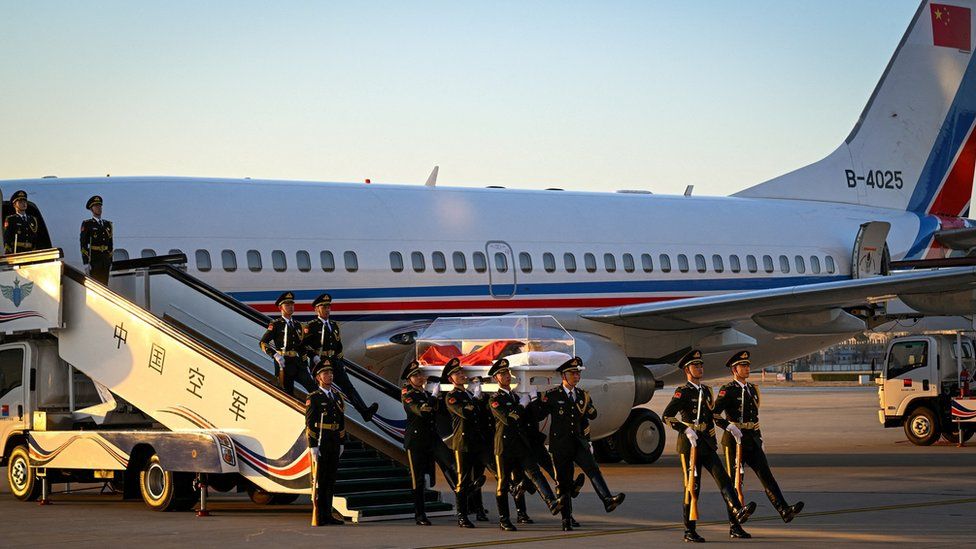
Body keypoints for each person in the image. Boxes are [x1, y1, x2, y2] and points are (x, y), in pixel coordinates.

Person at [662, 350, 757, 543]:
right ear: (687, 370)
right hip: (689, 446)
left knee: (724, 479)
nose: (700, 368)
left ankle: (738, 512)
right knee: (692, 487)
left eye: (701, 365)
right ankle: (689, 530)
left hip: (705, 442)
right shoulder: (683, 392)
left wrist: (716, 437)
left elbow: (710, 418)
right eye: (696, 366)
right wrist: (685, 430)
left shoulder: (706, 391)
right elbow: (667, 416)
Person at [531, 356, 625, 531]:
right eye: (573, 373)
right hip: (561, 445)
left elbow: (591, 416)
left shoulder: (582, 395)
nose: (577, 376)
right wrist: (531, 400)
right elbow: (537, 415)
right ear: (564, 376)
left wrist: (588, 440)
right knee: (564, 482)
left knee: (593, 469)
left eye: (578, 373)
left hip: (579, 442)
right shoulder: (552, 395)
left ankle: (607, 499)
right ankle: (566, 519)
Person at [713, 351, 804, 526]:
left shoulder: (753, 389)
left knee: (766, 476)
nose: (747, 368)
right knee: (735, 482)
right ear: (734, 369)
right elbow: (714, 414)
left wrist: (760, 440)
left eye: (748, 365)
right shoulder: (728, 390)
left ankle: (784, 510)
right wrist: (729, 426)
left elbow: (755, 419)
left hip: (752, 439)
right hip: (734, 440)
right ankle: (735, 525)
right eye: (743, 366)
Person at [487, 358, 562, 531]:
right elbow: (509, 419)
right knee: (504, 484)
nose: (507, 376)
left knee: (535, 474)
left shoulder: (516, 396)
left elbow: (530, 418)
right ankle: (504, 519)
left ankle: (551, 502)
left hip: (521, 445)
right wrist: (522, 405)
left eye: (507, 373)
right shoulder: (495, 399)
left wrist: (533, 401)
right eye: (502, 374)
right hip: (504, 447)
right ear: (495, 378)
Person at [303, 293, 378, 422]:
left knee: (348, 387)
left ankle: (364, 411)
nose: (327, 310)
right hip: (320, 362)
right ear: (316, 309)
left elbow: (338, 347)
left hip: (334, 361)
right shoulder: (312, 326)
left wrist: (341, 362)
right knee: (320, 391)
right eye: (323, 307)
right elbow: (304, 345)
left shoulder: (334, 325)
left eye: (328, 307)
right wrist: (314, 356)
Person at [401, 360, 459, 526]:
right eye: (415, 375)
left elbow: (441, 411)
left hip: (432, 438)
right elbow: (423, 410)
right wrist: (434, 397)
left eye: (420, 374)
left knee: (452, 465)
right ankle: (420, 515)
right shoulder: (408, 394)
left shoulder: (427, 393)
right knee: (418, 480)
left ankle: (464, 497)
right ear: (409, 380)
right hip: (416, 441)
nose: (420, 377)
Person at [443, 358, 487, 528]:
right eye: (457, 374)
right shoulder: (452, 396)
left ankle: (479, 509)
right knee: (463, 479)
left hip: (477, 441)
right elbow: (466, 412)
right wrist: (476, 399)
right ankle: (462, 516)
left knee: (482, 474)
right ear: (450, 379)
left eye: (462, 372)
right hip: (462, 443)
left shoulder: (468, 394)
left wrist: (477, 398)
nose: (461, 375)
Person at [306, 358, 345, 526]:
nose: (329, 376)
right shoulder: (314, 397)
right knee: (321, 480)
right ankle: (320, 514)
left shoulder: (337, 396)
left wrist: (342, 441)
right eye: (325, 373)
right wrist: (312, 446)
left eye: (330, 373)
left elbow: (341, 420)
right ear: (318, 377)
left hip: (334, 440)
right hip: (321, 441)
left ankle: (328, 514)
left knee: (331, 479)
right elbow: (309, 422)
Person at [260, 292, 315, 396]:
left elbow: (302, 346)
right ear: (281, 308)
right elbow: (263, 343)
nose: (290, 307)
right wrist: (275, 355)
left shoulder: (298, 325)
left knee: (313, 388)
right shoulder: (276, 324)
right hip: (283, 363)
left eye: (292, 305)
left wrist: (309, 360)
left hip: (297, 363)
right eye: (287, 305)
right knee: (288, 393)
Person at [79, 195, 113, 284]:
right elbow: (83, 244)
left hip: (105, 260)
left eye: (100, 206)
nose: (99, 208)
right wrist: (86, 262)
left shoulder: (107, 224)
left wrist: (110, 260)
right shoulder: (87, 224)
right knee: (96, 285)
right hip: (94, 260)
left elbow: (110, 244)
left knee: (105, 284)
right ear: (91, 209)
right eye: (96, 206)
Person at [4, 190, 38, 255]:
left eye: (25, 201)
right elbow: (7, 238)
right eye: (20, 202)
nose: (24, 204)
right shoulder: (11, 219)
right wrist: (9, 252)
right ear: (14, 205)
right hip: (17, 251)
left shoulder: (32, 219)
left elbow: (35, 237)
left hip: (30, 251)